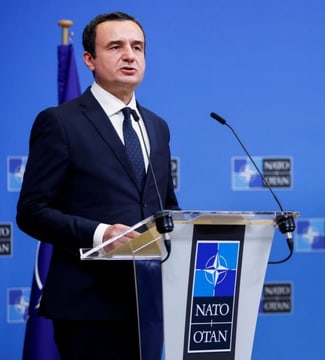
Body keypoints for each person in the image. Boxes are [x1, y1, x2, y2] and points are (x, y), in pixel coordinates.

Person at [16, 11, 179, 360]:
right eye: (116, 46)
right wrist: (101, 233)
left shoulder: (157, 127)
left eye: (137, 47)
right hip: (88, 307)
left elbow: (165, 205)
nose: (129, 55)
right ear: (89, 59)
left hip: (150, 303)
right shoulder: (59, 123)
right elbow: (31, 212)